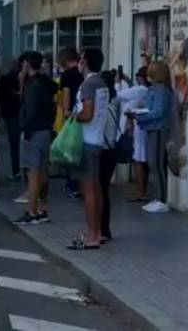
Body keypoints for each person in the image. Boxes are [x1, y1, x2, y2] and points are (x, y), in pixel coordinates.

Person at [68, 48, 110, 250]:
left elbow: (87, 114)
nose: (79, 63)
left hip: (86, 140)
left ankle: (91, 236)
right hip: (98, 140)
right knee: (97, 188)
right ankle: (98, 232)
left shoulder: (87, 85)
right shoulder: (102, 83)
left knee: (89, 190)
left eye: (81, 59)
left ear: (85, 62)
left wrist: (72, 115)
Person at [13, 51, 57, 225]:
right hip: (45, 130)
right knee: (42, 172)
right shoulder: (47, 83)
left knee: (32, 174)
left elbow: (30, 110)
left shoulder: (32, 85)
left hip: (34, 131)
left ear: (27, 64)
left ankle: (32, 211)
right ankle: (42, 209)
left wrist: (25, 129)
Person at [129, 61, 174, 214]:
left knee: (157, 164)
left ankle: (162, 200)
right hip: (152, 128)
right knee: (153, 164)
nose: (147, 75)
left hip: (158, 129)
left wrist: (139, 116)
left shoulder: (161, 90)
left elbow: (157, 111)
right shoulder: (155, 89)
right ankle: (157, 198)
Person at [119, 67, 150, 202]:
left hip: (138, 128)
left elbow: (119, 95)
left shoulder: (140, 90)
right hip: (142, 128)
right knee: (142, 160)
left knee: (138, 159)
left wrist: (116, 82)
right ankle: (142, 189)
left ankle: (140, 192)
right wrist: (127, 80)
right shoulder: (147, 91)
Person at [58, 46, 84, 199]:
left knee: (69, 150)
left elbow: (66, 92)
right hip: (81, 112)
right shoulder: (82, 73)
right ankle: (77, 184)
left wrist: (66, 112)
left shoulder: (67, 75)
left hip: (71, 115)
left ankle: (72, 185)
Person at [99, 70, 122, 242]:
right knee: (104, 190)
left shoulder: (104, 105)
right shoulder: (116, 101)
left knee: (100, 190)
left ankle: (102, 229)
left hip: (103, 149)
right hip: (112, 149)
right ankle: (104, 228)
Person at [0, 58, 23, 182]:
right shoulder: (27, 78)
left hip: (11, 114)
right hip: (22, 113)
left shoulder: (5, 79)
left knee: (14, 142)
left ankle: (16, 170)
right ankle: (25, 170)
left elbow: (0, 97)